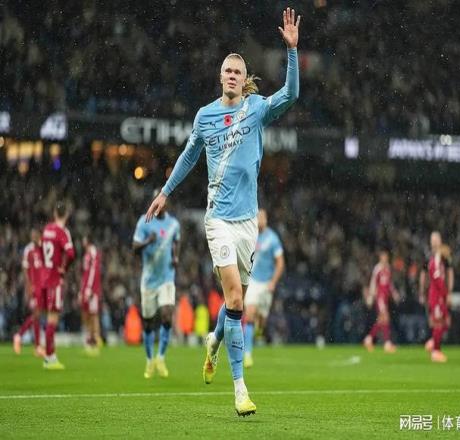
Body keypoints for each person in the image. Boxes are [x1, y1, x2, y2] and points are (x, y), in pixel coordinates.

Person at [145, 7, 300, 417]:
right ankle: (239, 390)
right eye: (227, 71)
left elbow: (291, 95)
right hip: (218, 221)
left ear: (243, 79)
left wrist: (291, 51)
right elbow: (187, 156)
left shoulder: (257, 109)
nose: (231, 75)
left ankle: (214, 341)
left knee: (236, 305)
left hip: (248, 222)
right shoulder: (205, 116)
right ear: (220, 77)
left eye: (237, 71)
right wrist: (164, 192)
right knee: (234, 299)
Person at [134, 189, 180, 379]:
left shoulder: (174, 224)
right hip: (149, 281)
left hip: (167, 278)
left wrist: (175, 257)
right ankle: (149, 360)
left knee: (167, 315)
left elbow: (176, 241)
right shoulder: (144, 221)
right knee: (148, 323)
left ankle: (160, 357)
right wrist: (148, 241)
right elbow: (134, 248)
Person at [243, 208, 285, 368]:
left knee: (261, 320)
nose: (259, 220)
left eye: (262, 217)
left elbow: (280, 263)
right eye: (257, 217)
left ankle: (259, 328)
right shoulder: (250, 235)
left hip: (266, 283)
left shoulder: (272, 239)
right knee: (250, 313)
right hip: (252, 281)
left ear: (266, 220)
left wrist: (273, 281)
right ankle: (247, 354)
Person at [40, 202, 75, 369]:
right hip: (55, 280)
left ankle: (48, 353)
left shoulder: (47, 229)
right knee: (52, 319)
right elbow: (71, 253)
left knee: (48, 317)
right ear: (66, 215)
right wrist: (63, 269)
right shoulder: (62, 232)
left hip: (44, 278)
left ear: (55, 213)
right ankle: (49, 357)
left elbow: (42, 250)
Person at [419, 232, 454, 363]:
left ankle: (433, 342)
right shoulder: (433, 260)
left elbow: (448, 274)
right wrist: (445, 293)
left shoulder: (441, 259)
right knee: (438, 322)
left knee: (445, 321)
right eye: (432, 240)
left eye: (436, 239)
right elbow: (436, 279)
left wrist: (448, 292)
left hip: (439, 295)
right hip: (436, 295)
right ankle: (436, 351)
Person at [13, 227, 45, 357]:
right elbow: (25, 271)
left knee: (37, 316)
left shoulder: (42, 249)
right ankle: (19, 336)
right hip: (34, 287)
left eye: (35, 235)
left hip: (42, 287)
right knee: (36, 314)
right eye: (32, 235)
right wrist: (28, 287)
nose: (34, 237)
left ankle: (37, 346)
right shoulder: (28, 250)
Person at [363, 250, 399, 353]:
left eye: (386, 257)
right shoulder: (377, 269)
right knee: (385, 318)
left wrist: (394, 293)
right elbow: (373, 282)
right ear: (380, 258)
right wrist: (371, 295)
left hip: (385, 297)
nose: (385, 259)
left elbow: (389, 283)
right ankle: (387, 343)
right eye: (383, 257)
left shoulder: (387, 268)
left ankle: (369, 339)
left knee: (382, 320)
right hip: (380, 297)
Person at [80, 234, 102, 355]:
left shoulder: (93, 253)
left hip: (92, 290)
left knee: (93, 314)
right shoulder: (87, 254)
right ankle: (90, 338)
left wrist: (89, 289)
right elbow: (85, 273)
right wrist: (82, 290)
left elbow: (93, 272)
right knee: (86, 314)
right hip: (86, 289)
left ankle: (95, 339)